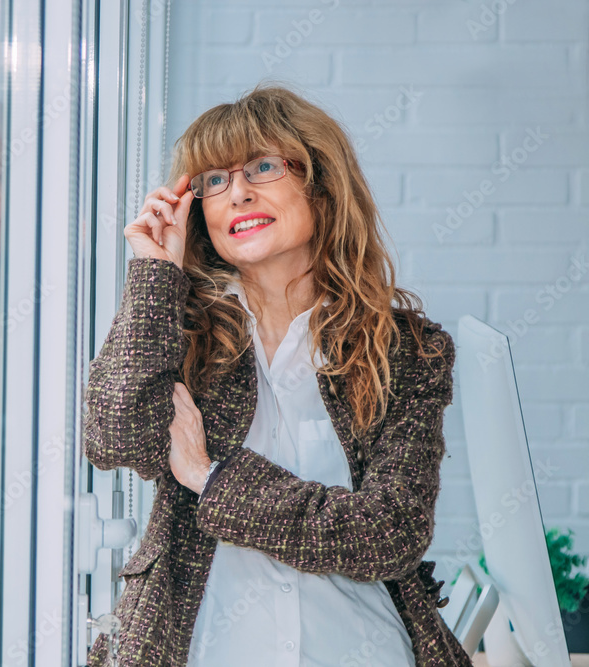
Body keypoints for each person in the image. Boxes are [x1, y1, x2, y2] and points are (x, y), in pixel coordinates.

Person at [83, 83, 472, 666]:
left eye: (261, 167)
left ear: (321, 185)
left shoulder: (407, 349)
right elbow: (114, 439)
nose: (237, 192)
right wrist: (154, 277)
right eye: (214, 180)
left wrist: (211, 480)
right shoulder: (181, 333)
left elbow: (391, 532)